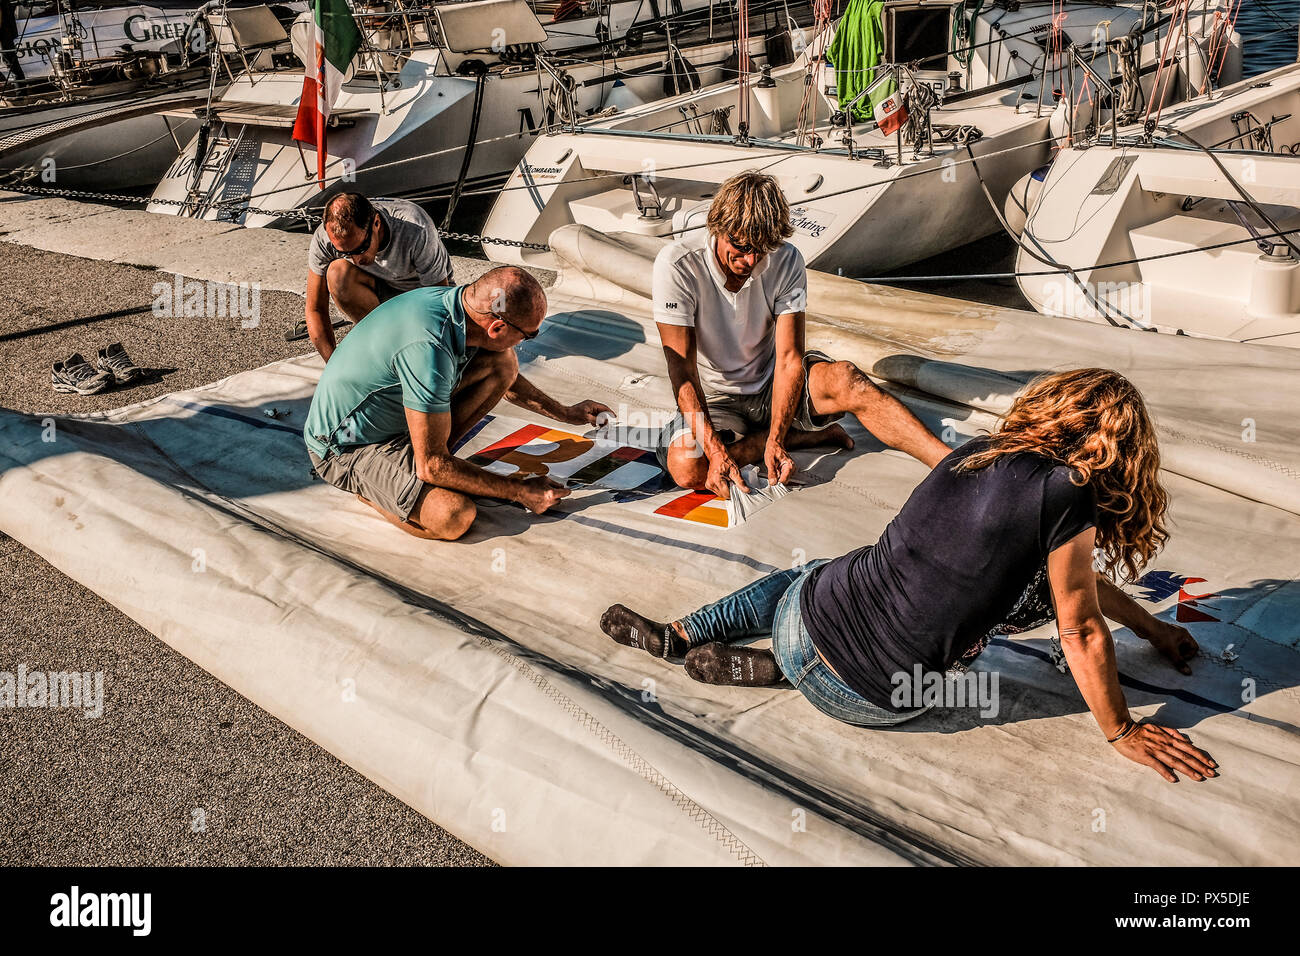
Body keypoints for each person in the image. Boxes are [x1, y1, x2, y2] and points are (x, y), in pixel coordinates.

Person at [602, 369, 1219, 784]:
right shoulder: (1069, 491)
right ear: (1119, 452)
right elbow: (1079, 624)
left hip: (802, 623)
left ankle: (688, 633)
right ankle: (784, 673)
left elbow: (1071, 585)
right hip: (870, 702)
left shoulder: (982, 451)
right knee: (1025, 600)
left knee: (820, 572)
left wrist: (1148, 625)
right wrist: (1121, 730)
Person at [653, 170, 949, 498]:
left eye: (761, 250)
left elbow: (790, 357)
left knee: (849, 380)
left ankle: (951, 464)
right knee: (687, 467)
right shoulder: (677, 265)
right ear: (717, 227)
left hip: (772, 385)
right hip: (715, 397)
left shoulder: (788, 259)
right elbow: (682, 370)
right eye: (740, 246)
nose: (750, 260)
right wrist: (716, 452)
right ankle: (802, 436)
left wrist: (777, 441)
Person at [304, 266, 611, 540]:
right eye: (528, 336)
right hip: (347, 447)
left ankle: (415, 469)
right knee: (453, 516)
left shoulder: (457, 307)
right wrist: (520, 492)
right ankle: (371, 491)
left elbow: (508, 380)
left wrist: (564, 412)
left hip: (394, 419)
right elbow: (432, 466)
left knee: (502, 363)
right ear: (497, 328)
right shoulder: (429, 350)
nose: (527, 341)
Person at [294, 193, 455, 360]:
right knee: (337, 273)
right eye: (346, 253)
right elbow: (315, 309)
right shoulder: (326, 237)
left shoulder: (416, 228)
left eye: (360, 248)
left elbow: (439, 303)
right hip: (382, 293)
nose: (357, 260)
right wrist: (332, 365)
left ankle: (400, 348)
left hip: (422, 296)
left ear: (376, 223)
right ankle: (386, 346)